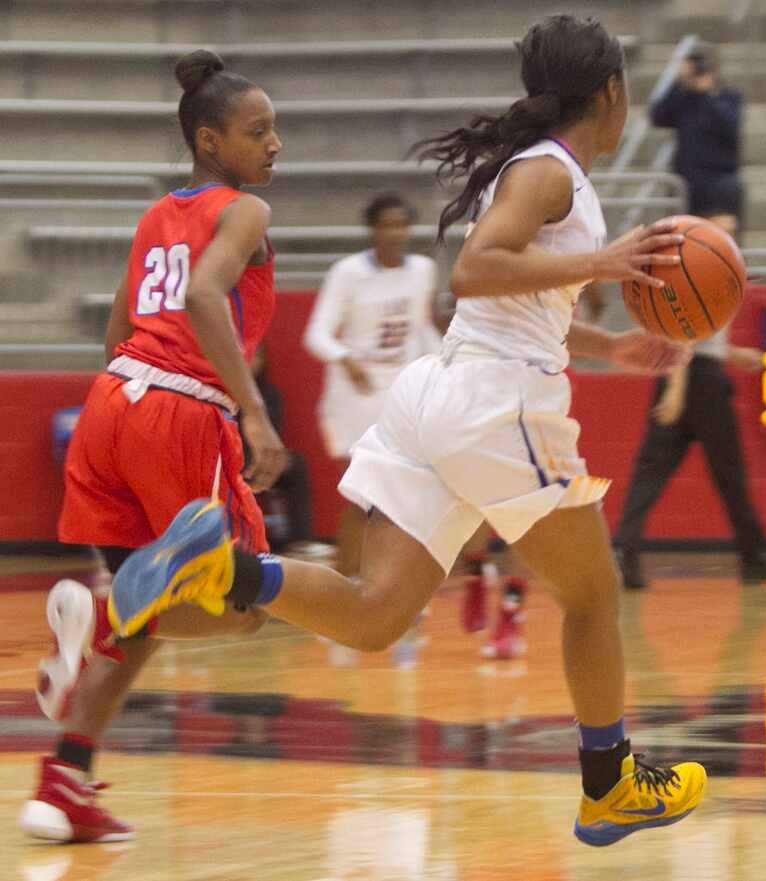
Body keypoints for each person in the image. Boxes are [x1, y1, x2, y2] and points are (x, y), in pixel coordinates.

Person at [106, 16, 708, 847]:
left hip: (447, 392)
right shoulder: (551, 171)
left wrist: (610, 345)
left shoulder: (539, 171)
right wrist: (601, 265)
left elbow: (500, 303)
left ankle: (226, 567)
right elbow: (475, 270)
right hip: (498, 404)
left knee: (374, 614)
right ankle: (610, 784)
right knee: (594, 594)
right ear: (610, 92)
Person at [20, 49, 287, 842]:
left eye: (276, 129)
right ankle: (104, 607)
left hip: (111, 402)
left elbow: (116, 333)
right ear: (210, 141)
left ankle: (61, 782)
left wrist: (127, 420)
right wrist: (255, 414)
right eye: (258, 130)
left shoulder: (153, 215)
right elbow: (205, 296)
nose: (276, 143)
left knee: (142, 615)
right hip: (180, 408)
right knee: (241, 608)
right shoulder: (246, 212)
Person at [304, 192, 441, 579]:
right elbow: (316, 334)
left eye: (401, 224)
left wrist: (447, 363)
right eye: (386, 225)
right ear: (372, 230)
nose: (395, 233)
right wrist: (345, 359)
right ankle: (346, 577)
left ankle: (386, 580)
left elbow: (421, 327)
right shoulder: (348, 273)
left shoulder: (422, 270)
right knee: (367, 492)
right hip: (355, 392)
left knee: (402, 491)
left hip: (400, 388)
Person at [615, 325, 766, 589]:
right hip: (696, 380)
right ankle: (755, 558)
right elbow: (685, 327)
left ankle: (624, 553)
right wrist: (676, 389)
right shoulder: (710, 283)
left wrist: (730, 353)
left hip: (680, 373)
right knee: (730, 475)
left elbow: (696, 336)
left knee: (649, 473)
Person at [650, 43, 744, 239]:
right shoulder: (683, 99)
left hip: (719, 184)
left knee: (721, 242)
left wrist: (707, 94)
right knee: (684, 242)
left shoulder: (727, 97)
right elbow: (657, 116)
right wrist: (679, 81)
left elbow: (729, 127)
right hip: (687, 183)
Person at [250, 345, 327, 555]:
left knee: (297, 464)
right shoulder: (225, 394)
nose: (253, 361)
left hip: (263, 459)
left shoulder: (271, 394)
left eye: (258, 356)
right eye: (249, 355)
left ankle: (301, 541)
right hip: (235, 459)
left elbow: (274, 433)